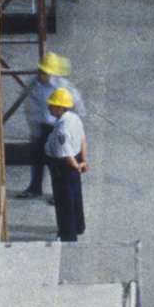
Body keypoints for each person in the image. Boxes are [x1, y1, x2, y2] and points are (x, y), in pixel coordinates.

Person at [17, 47, 79, 199]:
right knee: (36, 159)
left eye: (45, 72)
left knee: (57, 163)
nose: (41, 75)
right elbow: (27, 102)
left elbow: (76, 103)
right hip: (40, 127)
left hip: (56, 128)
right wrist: (33, 127)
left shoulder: (62, 86)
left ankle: (58, 193)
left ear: (52, 73)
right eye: (40, 71)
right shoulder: (33, 84)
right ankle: (34, 188)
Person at [45, 81, 88, 244]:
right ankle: (78, 226)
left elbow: (66, 153)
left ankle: (67, 234)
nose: (49, 107)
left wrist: (75, 165)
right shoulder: (74, 118)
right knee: (76, 195)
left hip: (63, 167)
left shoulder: (62, 128)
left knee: (63, 199)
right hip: (75, 161)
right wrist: (83, 160)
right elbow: (83, 139)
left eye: (52, 105)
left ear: (59, 108)